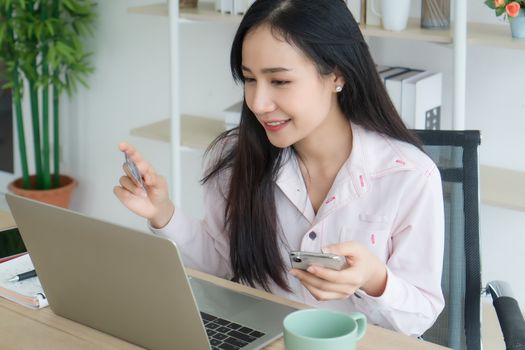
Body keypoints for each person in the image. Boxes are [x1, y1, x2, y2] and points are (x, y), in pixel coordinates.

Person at [114, 0, 445, 337]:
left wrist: (375, 279)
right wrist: (162, 212)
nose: (258, 103)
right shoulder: (234, 160)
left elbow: (421, 315)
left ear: (337, 74)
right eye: (249, 79)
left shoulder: (409, 177)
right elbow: (222, 266)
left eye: (280, 81)